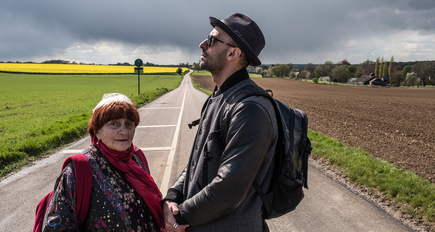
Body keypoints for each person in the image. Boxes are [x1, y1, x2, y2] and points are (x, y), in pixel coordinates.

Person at [163, 13, 278, 232]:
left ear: (234, 53)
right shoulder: (218, 98)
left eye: (212, 40)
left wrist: (180, 217)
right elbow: (197, 163)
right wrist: (172, 198)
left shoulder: (249, 109)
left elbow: (228, 191)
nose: (202, 44)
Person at [43, 93, 165, 231]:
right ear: (96, 131)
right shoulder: (77, 171)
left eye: (129, 124)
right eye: (114, 124)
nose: (124, 131)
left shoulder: (137, 158)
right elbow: (57, 227)